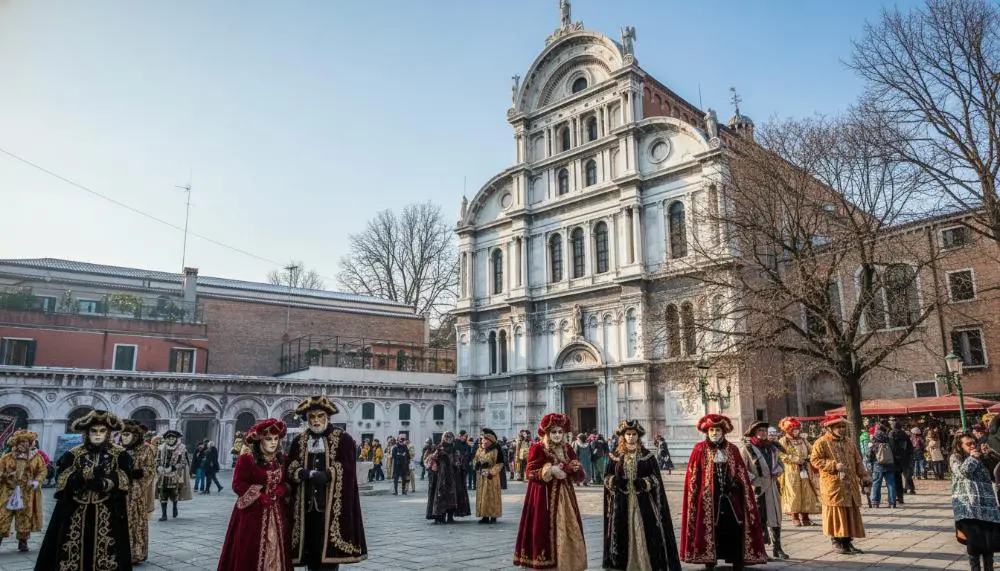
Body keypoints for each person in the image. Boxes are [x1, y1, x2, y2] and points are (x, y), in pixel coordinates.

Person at [35, 410, 133, 571]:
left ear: (108, 433)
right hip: (76, 509)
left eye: (102, 431)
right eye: (93, 431)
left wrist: (106, 482)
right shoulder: (73, 454)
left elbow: (125, 476)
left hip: (107, 509)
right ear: (87, 433)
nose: (98, 435)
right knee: (71, 547)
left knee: (109, 548)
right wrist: (79, 478)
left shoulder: (120, 454)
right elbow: (62, 477)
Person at [285, 396, 367, 569]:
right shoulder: (298, 441)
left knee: (329, 555)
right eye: (311, 417)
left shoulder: (343, 439)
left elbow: (348, 467)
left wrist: (329, 474)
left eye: (320, 416)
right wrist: (304, 473)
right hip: (307, 510)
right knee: (311, 552)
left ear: (328, 417)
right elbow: (290, 467)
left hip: (329, 509)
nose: (315, 420)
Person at [680, 414, 767, 570]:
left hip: (731, 499)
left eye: (718, 430)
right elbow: (694, 476)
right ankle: (709, 561)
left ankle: (736, 560)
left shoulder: (732, 449)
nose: (714, 433)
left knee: (734, 528)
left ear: (723, 432)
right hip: (708, 499)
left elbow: (741, 472)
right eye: (712, 430)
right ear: (707, 432)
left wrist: (735, 485)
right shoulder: (699, 449)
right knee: (710, 528)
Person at [602, 419, 681, 571]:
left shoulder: (647, 456)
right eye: (628, 434)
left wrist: (644, 483)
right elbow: (606, 476)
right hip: (622, 502)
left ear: (638, 436)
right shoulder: (615, 455)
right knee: (621, 534)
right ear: (623, 436)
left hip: (643, 502)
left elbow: (656, 479)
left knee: (648, 531)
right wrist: (615, 481)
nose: (631, 437)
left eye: (633, 434)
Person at [513, 412, 587, 571]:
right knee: (543, 528)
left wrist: (575, 468)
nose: (557, 435)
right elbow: (530, 472)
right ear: (547, 433)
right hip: (543, 497)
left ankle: (567, 561)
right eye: (553, 432)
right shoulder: (538, 448)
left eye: (560, 432)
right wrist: (550, 470)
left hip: (565, 495)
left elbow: (577, 473)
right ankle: (546, 562)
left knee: (568, 527)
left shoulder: (567, 448)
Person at [218, 418, 291, 571]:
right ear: (259, 441)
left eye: (276, 439)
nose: (273, 443)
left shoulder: (281, 460)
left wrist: (281, 490)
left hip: (277, 512)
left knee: (278, 546)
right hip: (252, 514)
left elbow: (285, 482)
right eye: (268, 439)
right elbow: (238, 484)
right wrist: (258, 495)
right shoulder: (247, 459)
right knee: (251, 549)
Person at [811, 415, 870, 555]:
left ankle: (848, 542)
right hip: (834, 485)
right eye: (838, 427)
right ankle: (837, 542)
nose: (842, 429)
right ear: (830, 428)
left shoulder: (849, 442)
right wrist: (833, 465)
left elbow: (857, 461)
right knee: (837, 514)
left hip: (850, 484)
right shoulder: (821, 442)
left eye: (843, 426)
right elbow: (815, 460)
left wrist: (864, 475)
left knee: (850, 513)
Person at [740, 421, 788, 560]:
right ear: (754, 433)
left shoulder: (772, 447)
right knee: (760, 519)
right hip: (758, 488)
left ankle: (777, 548)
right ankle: (761, 551)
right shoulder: (747, 448)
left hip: (773, 486)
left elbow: (780, 464)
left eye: (765, 431)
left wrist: (778, 471)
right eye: (760, 431)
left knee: (776, 517)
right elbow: (742, 468)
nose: (763, 433)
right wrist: (754, 480)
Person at [952, 432, 1000, 571]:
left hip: (987, 508)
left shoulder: (981, 457)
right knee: (973, 547)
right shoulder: (955, 458)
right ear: (959, 446)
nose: (973, 446)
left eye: (974, 443)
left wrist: (991, 455)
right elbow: (964, 473)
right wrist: (972, 458)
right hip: (969, 509)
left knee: (989, 545)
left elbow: (994, 474)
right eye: (968, 444)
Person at [0, 430, 45, 553]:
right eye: (20, 441)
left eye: (25, 441)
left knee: (25, 516)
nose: (22, 444)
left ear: (30, 443)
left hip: (27, 492)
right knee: (3, 515)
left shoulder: (37, 458)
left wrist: (36, 481)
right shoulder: (6, 457)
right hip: (8, 491)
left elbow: (42, 471)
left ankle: (23, 541)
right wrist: (6, 475)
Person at [120, 420, 156, 564]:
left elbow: (151, 469)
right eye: (122, 435)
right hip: (119, 491)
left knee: (135, 521)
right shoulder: (118, 449)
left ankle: (136, 553)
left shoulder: (145, 449)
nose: (124, 438)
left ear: (135, 435)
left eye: (127, 434)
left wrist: (139, 473)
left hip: (135, 492)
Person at [776, 417, 820, 527]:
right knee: (793, 493)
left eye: (797, 429)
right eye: (794, 429)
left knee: (806, 492)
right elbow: (781, 455)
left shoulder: (803, 440)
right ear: (788, 430)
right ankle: (795, 517)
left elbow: (812, 451)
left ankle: (805, 517)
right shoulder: (783, 441)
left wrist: (810, 457)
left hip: (804, 470)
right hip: (791, 471)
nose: (796, 431)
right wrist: (796, 460)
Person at [425, 431, 471, 524]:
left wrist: (458, 463)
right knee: (441, 496)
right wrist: (434, 462)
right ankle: (440, 516)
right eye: (447, 437)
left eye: (450, 437)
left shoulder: (454, 449)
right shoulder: (438, 449)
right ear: (443, 438)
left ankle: (450, 516)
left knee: (452, 497)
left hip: (453, 477)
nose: (449, 439)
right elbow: (430, 460)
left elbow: (457, 460)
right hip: (441, 477)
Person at [155, 429, 192, 521]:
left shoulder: (181, 448)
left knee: (174, 493)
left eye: (173, 438)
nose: (171, 439)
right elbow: (157, 459)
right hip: (162, 474)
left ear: (176, 439)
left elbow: (183, 462)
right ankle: (164, 514)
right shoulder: (161, 448)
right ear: (166, 439)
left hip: (175, 475)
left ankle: (175, 506)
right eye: (168, 438)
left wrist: (174, 468)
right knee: (162, 492)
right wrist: (158, 466)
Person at [473, 428, 504, 524]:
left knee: (492, 496)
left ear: (490, 440)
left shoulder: (496, 449)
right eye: (482, 439)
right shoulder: (480, 449)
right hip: (481, 477)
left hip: (492, 478)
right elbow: (475, 459)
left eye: (485, 439)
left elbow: (500, 464)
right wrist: (477, 464)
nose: (483, 441)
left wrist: (491, 472)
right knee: (483, 496)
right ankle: (484, 516)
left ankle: (493, 516)